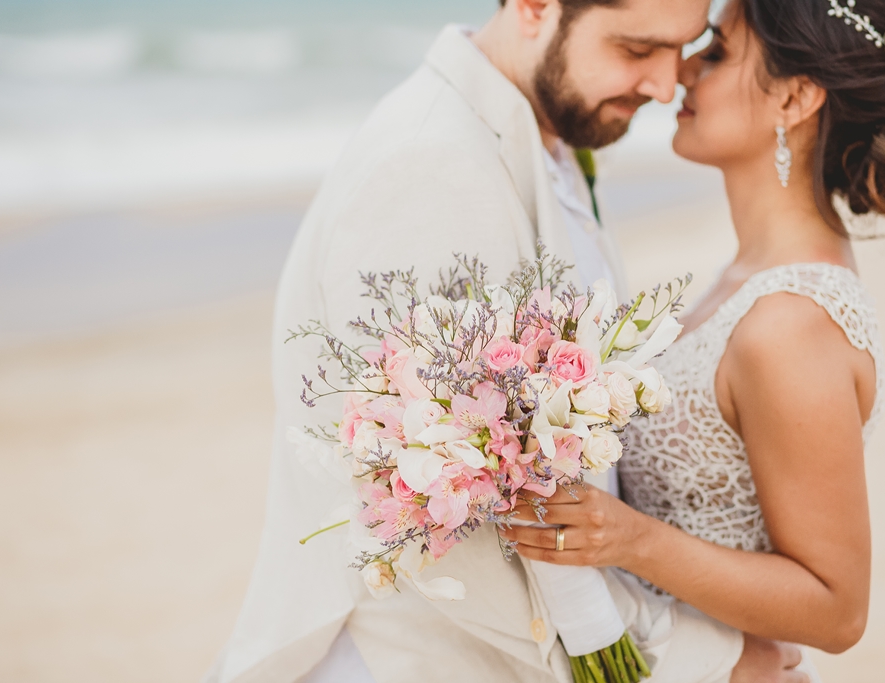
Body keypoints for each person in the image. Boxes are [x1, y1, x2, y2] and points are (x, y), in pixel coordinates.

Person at [204, 1, 823, 682]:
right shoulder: (432, 166)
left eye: (682, 47)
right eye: (636, 49)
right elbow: (458, 515)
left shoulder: (542, 133)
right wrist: (704, 661)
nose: (666, 82)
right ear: (533, 6)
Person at [502, 0, 885, 681]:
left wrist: (630, 539)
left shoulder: (791, 324)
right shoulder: (751, 277)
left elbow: (838, 609)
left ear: (795, 98)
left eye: (717, 52)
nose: (683, 71)